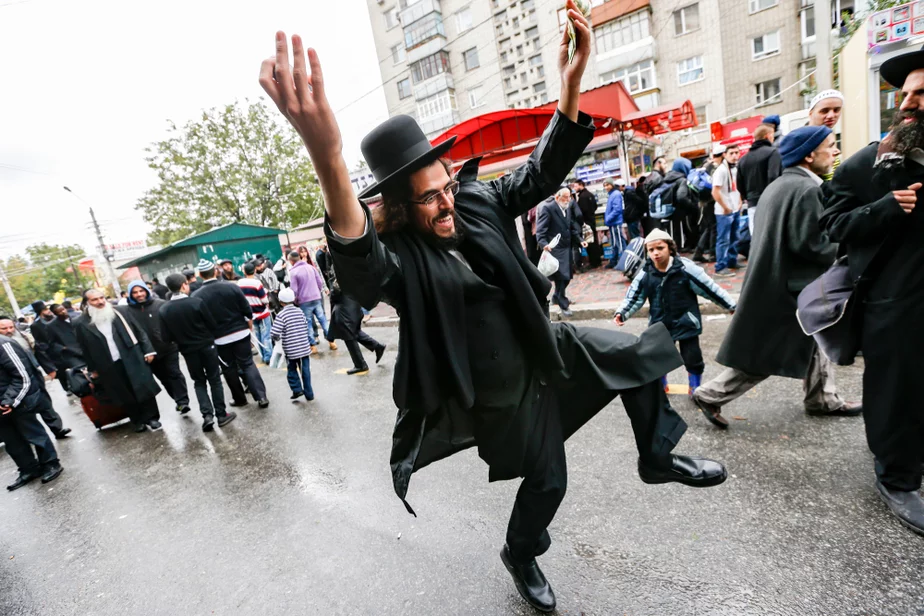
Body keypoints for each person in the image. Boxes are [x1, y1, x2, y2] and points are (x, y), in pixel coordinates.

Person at [259, 18, 725, 612]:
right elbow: (355, 258)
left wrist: (571, 85)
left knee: (636, 356)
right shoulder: (398, 262)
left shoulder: (475, 200)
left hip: (549, 347)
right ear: (400, 206)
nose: (446, 200)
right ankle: (521, 551)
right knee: (549, 482)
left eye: (446, 184)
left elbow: (539, 173)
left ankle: (656, 456)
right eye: (429, 196)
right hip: (501, 394)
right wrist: (325, 154)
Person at [819, 48, 924, 536]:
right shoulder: (866, 164)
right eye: (906, 95)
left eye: (921, 93)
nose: (909, 104)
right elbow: (832, 225)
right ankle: (896, 477)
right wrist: (883, 208)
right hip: (895, 307)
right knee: (894, 393)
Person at [693, 126, 861, 429]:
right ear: (810, 155)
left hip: (776, 280)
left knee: (812, 340)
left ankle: (823, 398)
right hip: (793, 287)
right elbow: (811, 243)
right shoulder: (808, 189)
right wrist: (845, 243)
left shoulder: (779, 185)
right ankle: (710, 394)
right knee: (769, 353)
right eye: (830, 146)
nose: (835, 152)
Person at [614, 229, 736, 396]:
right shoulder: (645, 273)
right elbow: (634, 296)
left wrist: (730, 305)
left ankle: (695, 389)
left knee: (693, 359)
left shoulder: (685, 268)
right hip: (660, 324)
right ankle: (662, 386)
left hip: (687, 321)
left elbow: (709, 288)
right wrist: (622, 313)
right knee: (659, 358)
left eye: (660, 248)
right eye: (651, 250)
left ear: (670, 248)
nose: (656, 253)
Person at [75, 289, 163, 433]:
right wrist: (93, 369)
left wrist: (148, 350)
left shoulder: (121, 311)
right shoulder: (80, 323)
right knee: (123, 393)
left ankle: (152, 418)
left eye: (102, 298)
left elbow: (139, 331)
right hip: (107, 364)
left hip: (132, 356)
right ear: (87, 303)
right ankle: (137, 420)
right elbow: (84, 348)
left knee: (143, 387)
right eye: (95, 300)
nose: (100, 302)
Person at [160, 273, 236, 432]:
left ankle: (207, 416)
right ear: (183, 285)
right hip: (207, 346)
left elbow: (166, 337)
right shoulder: (196, 302)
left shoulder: (164, 309)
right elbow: (212, 324)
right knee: (214, 379)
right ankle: (221, 414)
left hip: (187, 351)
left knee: (199, 382)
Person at [193, 259, 269, 408]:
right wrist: (248, 324)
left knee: (229, 368)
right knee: (247, 363)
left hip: (219, 338)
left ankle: (240, 399)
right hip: (240, 331)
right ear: (216, 271)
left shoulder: (197, 295)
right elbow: (246, 308)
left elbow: (200, 320)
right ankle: (261, 396)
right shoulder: (231, 287)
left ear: (201, 275)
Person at [0, 334, 64, 490]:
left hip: (17, 400)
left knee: (33, 433)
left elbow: (22, 376)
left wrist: (9, 401)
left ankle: (50, 463)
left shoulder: (4, 344)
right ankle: (28, 469)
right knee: (11, 440)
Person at [124, 280, 192, 414]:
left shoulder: (160, 304)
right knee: (164, 378)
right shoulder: (128, 311)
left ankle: (183, 401)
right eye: (135, 292)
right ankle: (177, 399)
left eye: (141, 291)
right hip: (148, 353)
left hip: (168, 347)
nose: (139, 294)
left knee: (174, 373)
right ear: (130, 294)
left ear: (146, 290)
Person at [0, 316, 71, 439]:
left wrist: (50, 369)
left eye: (11, 327)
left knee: (46, 404)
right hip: (16, 383)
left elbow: (38, 352)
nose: (9, 330)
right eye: (4, 328)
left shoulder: (23, 337)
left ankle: (57, 428)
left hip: (34, 376)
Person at [326, 263, 385, 375]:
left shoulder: (339, 275)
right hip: (355, 306)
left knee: (349, 337)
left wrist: (333, 291)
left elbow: (335, 294)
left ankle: (360, 364)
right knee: (355, 332)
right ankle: (377, 346)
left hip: (344, 309)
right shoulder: (353, 271)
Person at [536, 188, 586, 317]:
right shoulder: (548, 208)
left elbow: (570, 227)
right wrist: (544, 244)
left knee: (567, 276)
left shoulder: (567, 208)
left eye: (569, 197)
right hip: (555, 248)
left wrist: (580, 240)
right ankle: (563, 304)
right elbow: (541, 230)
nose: (568, 199)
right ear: (557, 197)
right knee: (561, 277)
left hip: (566, 246)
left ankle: (556, 297)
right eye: (565, 197)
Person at [737, 125, 782, 237]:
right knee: (773, 236)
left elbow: (739, 184)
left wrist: (747, 197)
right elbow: (773, 177)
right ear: (767, 136)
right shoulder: (773, 152)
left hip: (752, 203)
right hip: (771, 202)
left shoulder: (743, 160)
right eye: (772, 135)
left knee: (756, 237)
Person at [270, 287, 315, 401]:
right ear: (294, 299)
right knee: (305, 370)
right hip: (304, 347)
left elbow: (274, 332)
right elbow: (306, 326)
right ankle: (309, 394)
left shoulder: (281, 315)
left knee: (292, 369)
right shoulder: (300, 311)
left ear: (281, 302)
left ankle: (297, 390)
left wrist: (277, 339)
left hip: (291, 349)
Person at [287, 249, 335, 353]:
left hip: (304, 301)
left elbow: (294, 290)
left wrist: (295, 300)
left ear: (291, 261)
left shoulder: (293, 272)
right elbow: (319, 282)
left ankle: (313, 346)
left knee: (307, 323)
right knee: (323, 320)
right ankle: (331, 341)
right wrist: (317, 292)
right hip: (316, 298)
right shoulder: (311, 267)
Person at [711, 144, 743, 277]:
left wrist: (740, 201)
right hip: (724, 210)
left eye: (737, 153)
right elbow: (715, 191)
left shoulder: (736, 169)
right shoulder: (721, 170)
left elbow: (738, 187)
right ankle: (720, 266)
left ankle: (731, 260)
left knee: (735, 236)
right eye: (731, 153)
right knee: (723, 239)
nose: (735, 156)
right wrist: (725, 207)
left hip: (734, 207)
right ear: (725, 154)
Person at [28, 301, 70, 395]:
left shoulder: (56, 319)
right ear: (41, 311)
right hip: (53, 352)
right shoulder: (35, 325)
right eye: (46, 310)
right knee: (61, 372)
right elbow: (39, 341)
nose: (49, 311)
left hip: (66, 348)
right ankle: (67, 388)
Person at [238, 263, 274, 364]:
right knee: (266, 336)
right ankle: (268, 357)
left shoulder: (240, 283)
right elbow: (265, 300)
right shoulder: (257, 283)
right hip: (262, 313)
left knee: (258, 335)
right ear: (254, 271)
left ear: (244, 271)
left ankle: (263, 356)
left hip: (251, 314)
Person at [692, 148, 722, 263]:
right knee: (713, 227)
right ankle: (712, 253)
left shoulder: (705, 165)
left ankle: (699, 252)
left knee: (709, 227)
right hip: (710, 201)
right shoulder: (714, 167)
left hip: (703, 201)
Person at [806, 89, 844, 181]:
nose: (831, 115)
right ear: (811, 113)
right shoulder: (805, 139)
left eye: (836, 110)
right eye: (824, 111)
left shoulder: (830, 134)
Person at [45, 302, 85, 375]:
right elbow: (52, 343)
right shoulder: (51, 326)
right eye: (59, 312)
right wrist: (63, 348)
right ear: (55, 314)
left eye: (63, 309)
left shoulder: (77, 317)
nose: (63, 312)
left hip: (85, 349)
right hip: (71, 354)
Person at [571, 179, 601, 268]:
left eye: (576, 186)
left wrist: (582, 221)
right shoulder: (589, 194)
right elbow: (594, 207)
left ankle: (594, 262)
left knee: (590, 242)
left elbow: (581, 211)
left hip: (586, 222)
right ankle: (596, 260)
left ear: (581, 185)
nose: (574, 188)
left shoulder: (583, 197)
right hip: (591, 220)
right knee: (593, 240)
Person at [603, 178, 626, 268]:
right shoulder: (613, 194)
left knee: (619, 242)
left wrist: (608, 218)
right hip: (613, 222)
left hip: (615, 222)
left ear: (612, 185)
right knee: (615, 242)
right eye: (604, 185)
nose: (606, 187)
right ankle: (614, 261)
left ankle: (623, 261)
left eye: (607, 185)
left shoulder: (615, 194)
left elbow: (617, 209)